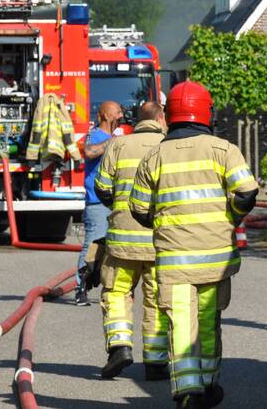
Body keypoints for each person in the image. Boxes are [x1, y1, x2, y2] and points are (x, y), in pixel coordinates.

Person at [130, 81, 258, 409]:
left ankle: (188, 391)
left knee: (181, 325)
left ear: (170, 115)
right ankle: (209, 382)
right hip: (215, 260)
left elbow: (139, 209)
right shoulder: (224, 150)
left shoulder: (154, 155)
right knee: (209, 321)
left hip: (174, 261)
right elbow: (246, 193)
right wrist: (230, 218)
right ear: (206, 112)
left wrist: (163, 225)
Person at [93, 102, 171, 381]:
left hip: (122, 241)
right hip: (159, 242)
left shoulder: (118, 145)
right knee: (156, 301)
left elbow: (101, 187)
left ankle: (119, 347)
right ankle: (156, 362)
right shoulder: (167, 145)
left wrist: (120, 207)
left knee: (116, 293)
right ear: (161, 118)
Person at [76, 100, 124, 306]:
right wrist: (113, 141)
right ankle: (81, 288)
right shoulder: (95, 135)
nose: (121, 116)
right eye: (118, 112)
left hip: (115, 201)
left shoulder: (118, 138)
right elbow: (89, 152)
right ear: (106, 115)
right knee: (93, 245)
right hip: (97, 202)